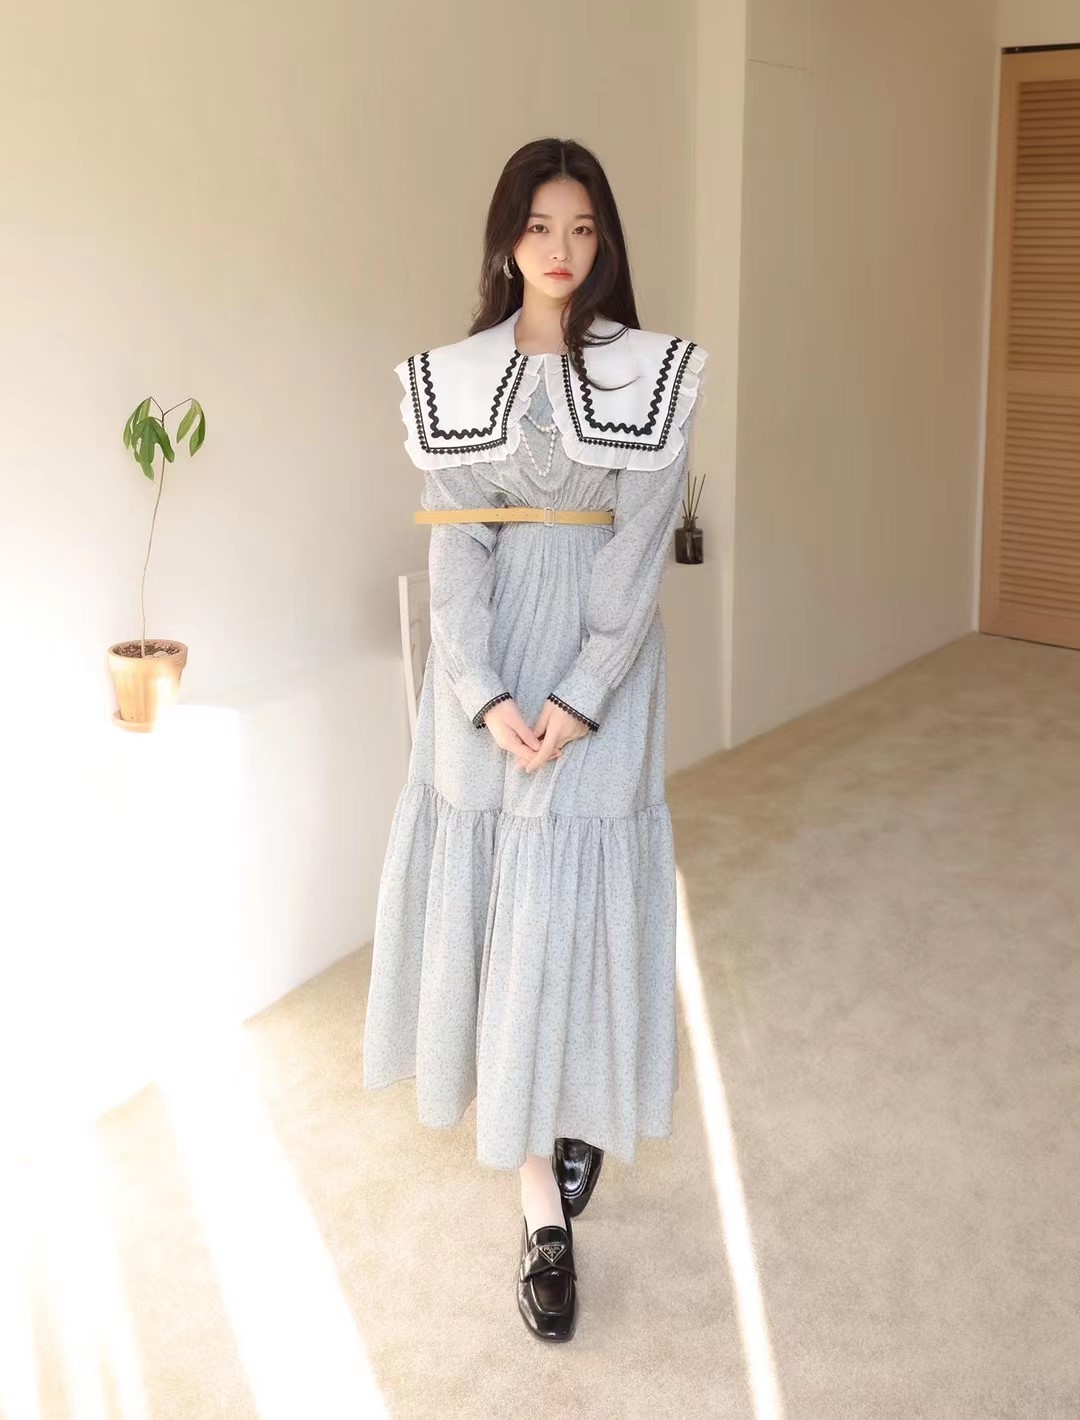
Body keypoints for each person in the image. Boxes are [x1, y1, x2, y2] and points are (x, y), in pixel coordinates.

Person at [362, 136, 709, 1342]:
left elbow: (639, 548)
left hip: (601, 671)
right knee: (501, 916)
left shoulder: (653, 375)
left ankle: (575, 1109)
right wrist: (478, 688)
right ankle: (540, 1214)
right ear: (506, 237)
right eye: (539, 225)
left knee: (573, 909)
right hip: (491, 676)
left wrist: (582, 690)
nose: (560, 249)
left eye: (582, 228)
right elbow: (456, 546)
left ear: (605, 242)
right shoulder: (456, 379)